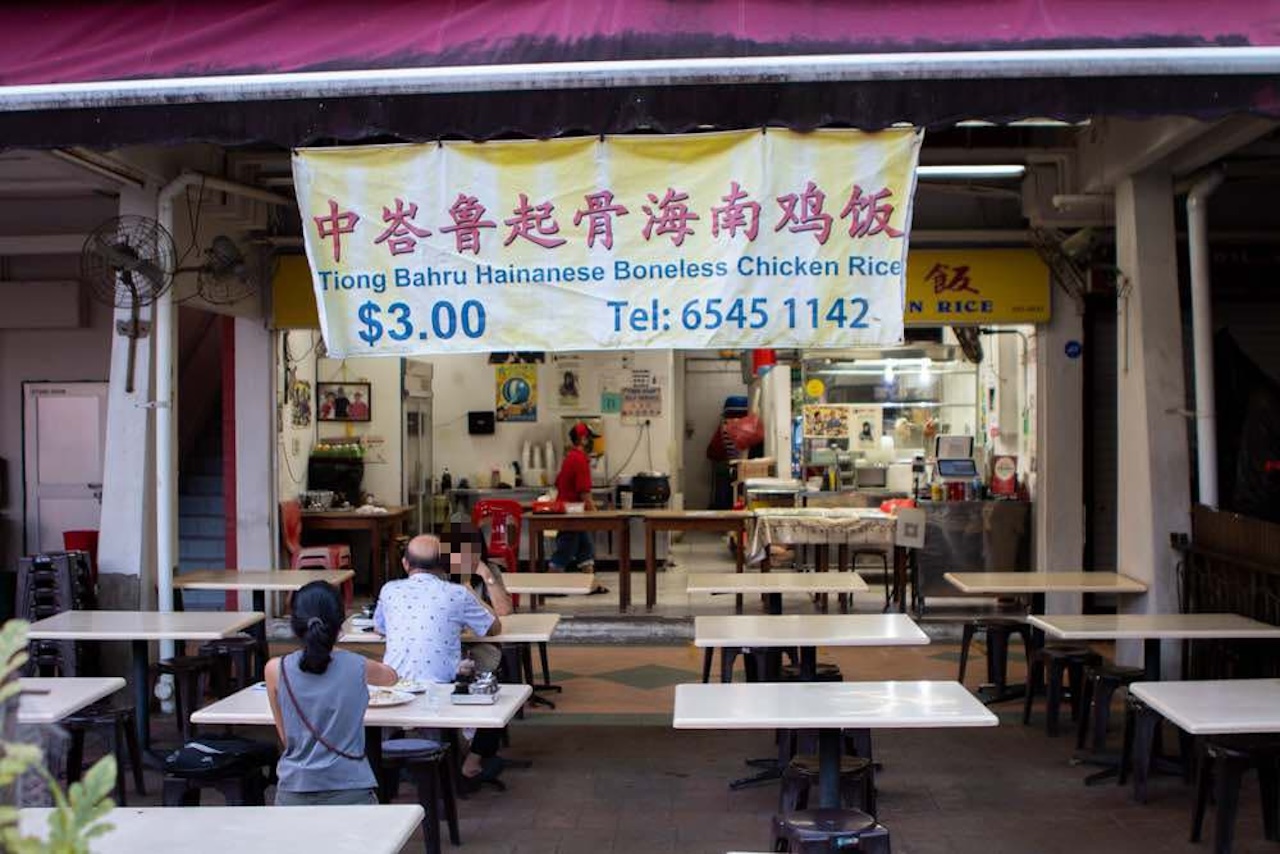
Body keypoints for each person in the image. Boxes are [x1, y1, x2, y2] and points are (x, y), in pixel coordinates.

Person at [373, 534, 505, 786]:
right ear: (444, 566)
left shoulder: (389, 590)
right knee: (496, 690)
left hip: (393, 688)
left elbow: (380, 627)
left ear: (405, 564)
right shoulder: (456, 593)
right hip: (441, 689)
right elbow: (494, 628)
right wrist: (467, 589)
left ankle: (391, 773)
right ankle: (471, 764)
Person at [265, 580, 398, 806]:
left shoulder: (275, 669)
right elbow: (391, 677)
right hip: (351, 790)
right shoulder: (358, 666)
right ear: (340, 623)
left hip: (294, 791)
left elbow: (286, 737)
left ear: (295, 624)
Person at [549, 421, 607, 593]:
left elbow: (558, 482)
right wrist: (597, 516)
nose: (592, 443)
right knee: (566, 548)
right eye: (590, 439)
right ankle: (550, 584)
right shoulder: (580, 459)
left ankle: (591, 585)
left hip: (571, 510)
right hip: (571, 512)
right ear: (583, 439)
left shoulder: (570, 456)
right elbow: (584, 492)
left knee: (585, 548)